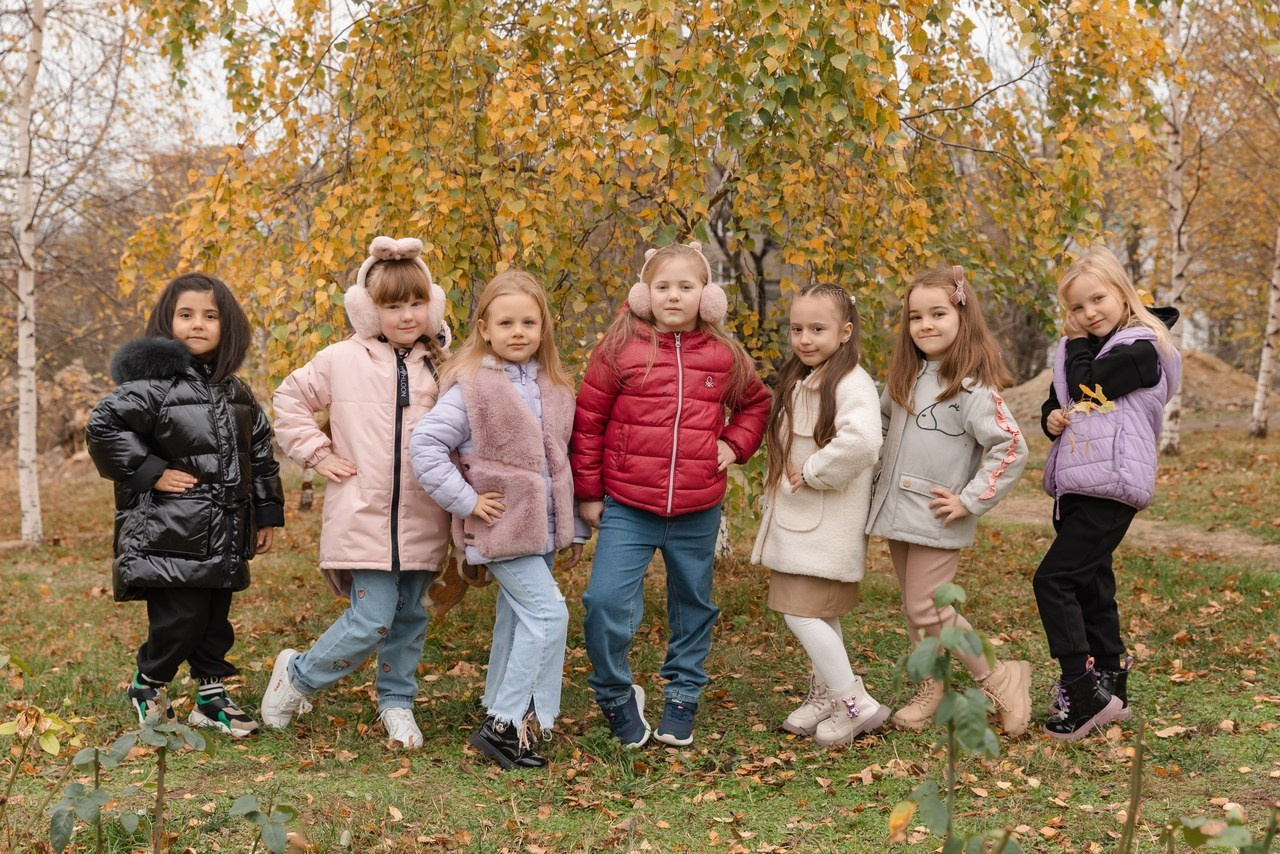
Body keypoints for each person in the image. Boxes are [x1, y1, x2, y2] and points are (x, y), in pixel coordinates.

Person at [573, 241, 772, 748]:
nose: (674, 296)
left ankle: (683, 691)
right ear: (645, 294)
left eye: (687, 287)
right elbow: (589, 422)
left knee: (693, 603)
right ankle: (616, 693)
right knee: (604, 602)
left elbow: (756, 403)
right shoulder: (619, 350)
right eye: (663, 286)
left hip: (697, 507)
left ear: (707, 297)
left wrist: (734, 443)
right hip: (628, 506)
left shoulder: (724, 355)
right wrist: (590, 493)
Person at [263, 236, 452, 749]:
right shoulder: (339, 360)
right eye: (393, 306)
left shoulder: (441, 364)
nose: (407, 316)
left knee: (409, 617)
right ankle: (297, 677)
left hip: (425, 514)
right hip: (362, 512)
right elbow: (289, 397)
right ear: (369, 311)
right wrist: (318, 453)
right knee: (372, 618)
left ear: (431, 304)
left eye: (416, 303)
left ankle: (397, 701)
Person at [86, 273, 284, 737]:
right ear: (167, 322)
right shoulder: (153, 384)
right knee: (181, 619)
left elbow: (260, 454)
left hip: (226, 529)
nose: (198, 324)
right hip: (170, 532)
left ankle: (210, 697)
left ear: (227, 326)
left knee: (215, 620)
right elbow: (103, 425)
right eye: (186, 315)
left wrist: (267, 513)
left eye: (210, 316)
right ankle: (148, 683)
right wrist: (151, 471)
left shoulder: (236, 391)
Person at [409, 269, 582, 770]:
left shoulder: (554, 386)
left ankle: (511, 717)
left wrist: (572, 527)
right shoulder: (473, 388)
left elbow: (559, 461)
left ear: (544, 327)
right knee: (550, 615)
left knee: (519, 620)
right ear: (484, 327)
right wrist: (466, 501)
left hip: (542, 529)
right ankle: (502, 726)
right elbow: (426, 445)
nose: (519, 332)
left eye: (529, 321)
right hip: (503, 527)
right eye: (506, 322)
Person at [865, 265, 1032, 737]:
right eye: (916, 317)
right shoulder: (903, 377)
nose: (926, 325)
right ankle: (930, 689)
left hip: (940, 512)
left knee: (929, 606)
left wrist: (971, 499)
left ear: (962, 317)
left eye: (938, 313)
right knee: (916, 607)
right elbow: (879, 428)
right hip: (897, 510)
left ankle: (999, 677)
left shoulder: (973, 388)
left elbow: (1011, 446)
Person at [1035, 247, 1181, 739]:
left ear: (1123, 294)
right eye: (1076, 308)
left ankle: (1081, 689)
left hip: (1112, 482)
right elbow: (1059, 400)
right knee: (1093, 584)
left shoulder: (1142, 348)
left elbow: (1089, 386)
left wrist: (1075, 344)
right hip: (1080, 480)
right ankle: (1112, 687)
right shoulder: (1087, 349)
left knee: (1052, 580)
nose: (1088, 313)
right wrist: (1050, 420)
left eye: (1097, 299)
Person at [750, 283, 889, 746]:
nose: (805, 338)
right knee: (820, 616)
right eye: (796, 328)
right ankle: (827, 695)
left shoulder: (851, 383)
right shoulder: (805, 377)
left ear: (845, 331)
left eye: (817, 329)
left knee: (801, 613)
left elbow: (863, 442)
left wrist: (812, 470)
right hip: (804, 524)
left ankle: (854, 702)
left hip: (824, 526)